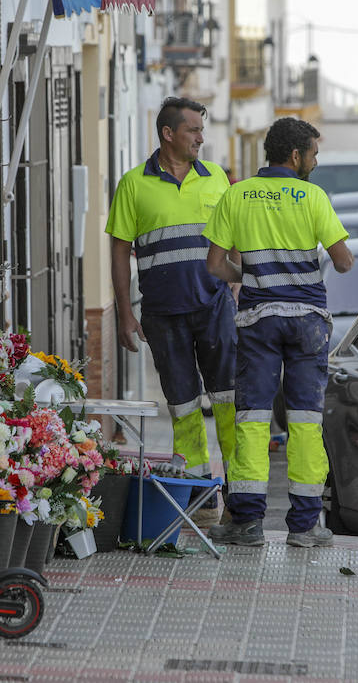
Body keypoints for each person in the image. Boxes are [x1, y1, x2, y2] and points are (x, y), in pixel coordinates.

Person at [203, 117, 353, 548]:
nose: (316, 161)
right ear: (295, 155)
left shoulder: (237, 194)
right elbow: (343, 262)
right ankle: (305, 527)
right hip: (307, 323)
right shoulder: (312, 197)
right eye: (314, 153)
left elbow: (215, 266)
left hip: (258, 320)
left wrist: (247, 276)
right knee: (306, 420)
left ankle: (246, 522)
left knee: (252, 418)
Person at [106, 97, 237, 482]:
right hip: (163, 314)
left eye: (201, 129)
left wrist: (241, 287)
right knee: (182, 405)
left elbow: (233, 243)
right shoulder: (133, 184)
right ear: (168, 133)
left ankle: (239, 496)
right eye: (193, 130)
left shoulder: (216, 177)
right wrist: (125, 315)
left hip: (215, 306)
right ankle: (196, 495)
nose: (201, 137)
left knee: (229, 401)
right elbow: (118, 253)